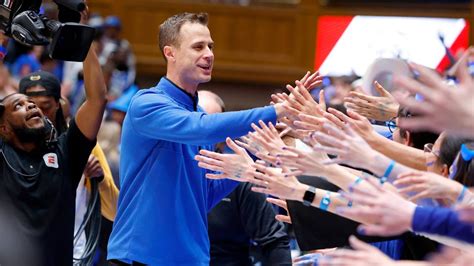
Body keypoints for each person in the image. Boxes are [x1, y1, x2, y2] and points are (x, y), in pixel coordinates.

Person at [107, 12, 314, 265]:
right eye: (198, 47)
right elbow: (202, 128)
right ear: (169, 53)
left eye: (210, 46)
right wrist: (276, 112)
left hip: (191, 259)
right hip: (139, 257)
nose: (209, 54)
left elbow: (203, 197)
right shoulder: (146, 104)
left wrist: (255, 149)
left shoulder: (199, 116)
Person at [0, 37, 107, 266]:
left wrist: (83, 39)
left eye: (33, 104)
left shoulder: (65, 151)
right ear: (3, 127)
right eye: (18, 105)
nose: (30, 105)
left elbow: (97, 100)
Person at [199, 90, 291, 265]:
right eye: (196, 122)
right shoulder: (167, 172)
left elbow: (273, 240)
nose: (201, 131)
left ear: (222, 135)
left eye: (211, 125)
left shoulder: (240, 178)